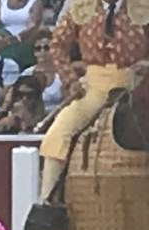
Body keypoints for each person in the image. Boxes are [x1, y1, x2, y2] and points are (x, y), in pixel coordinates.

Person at [32, 0, 149, 204]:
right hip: (95, 89)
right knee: (58, 133)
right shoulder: (80, 7)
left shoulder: (143, 6)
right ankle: (47, 203)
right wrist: (70, 80)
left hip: (137, 86)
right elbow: (57, 45)